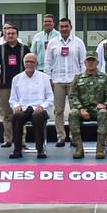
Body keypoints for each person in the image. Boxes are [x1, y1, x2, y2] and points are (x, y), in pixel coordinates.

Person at [45, 17, 86, 147]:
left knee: (75, 111)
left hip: (74, 80)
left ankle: (74, 137)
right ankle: (61, 137)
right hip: (58, 80)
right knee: (58, 111)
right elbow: (48, 62)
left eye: (66, 26)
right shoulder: (52, 43)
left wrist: (82, 79)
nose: (64, 29)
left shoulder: (78, 42)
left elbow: (83, 62)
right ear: (58, 28)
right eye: (61, 27)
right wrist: (49, 78)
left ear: (71, 27)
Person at [0, 24, 31, 148]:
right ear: (5, 35)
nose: (10, 35)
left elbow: (30, 66)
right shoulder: (0, 49)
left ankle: (21, 140)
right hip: (5, 86)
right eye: (8, 34)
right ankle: (8, 139)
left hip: (21, 87)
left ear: (17, 35)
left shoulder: (24, 49)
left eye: (13, 33)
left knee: (20, 114)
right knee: (6, 114)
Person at [68, 51, 107, 160]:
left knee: (104, 113)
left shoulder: (105, 78)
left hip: (97, 109)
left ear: (97, 62)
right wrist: (80, 108)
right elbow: (72, 96)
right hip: (82, 109)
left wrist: (105, 104)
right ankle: (79, 148)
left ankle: (100, 149)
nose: (90, 63)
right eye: (88, 61)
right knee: (72, 113)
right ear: (85, 63)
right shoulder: (78, 78)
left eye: (93, 61)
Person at [10, 52, 53, 159]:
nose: (29, 64)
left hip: (39, 109)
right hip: (23, 109)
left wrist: (42, 106)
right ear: (24, 63)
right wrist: (16, 106)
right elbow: (12, 99)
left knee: (37, 116)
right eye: (27, 62)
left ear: (36, 64)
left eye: (32, 62)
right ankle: (17, 150)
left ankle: (40, 149)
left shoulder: (44, 77)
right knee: (16, 117)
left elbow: (50, 97)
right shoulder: (16, 78)